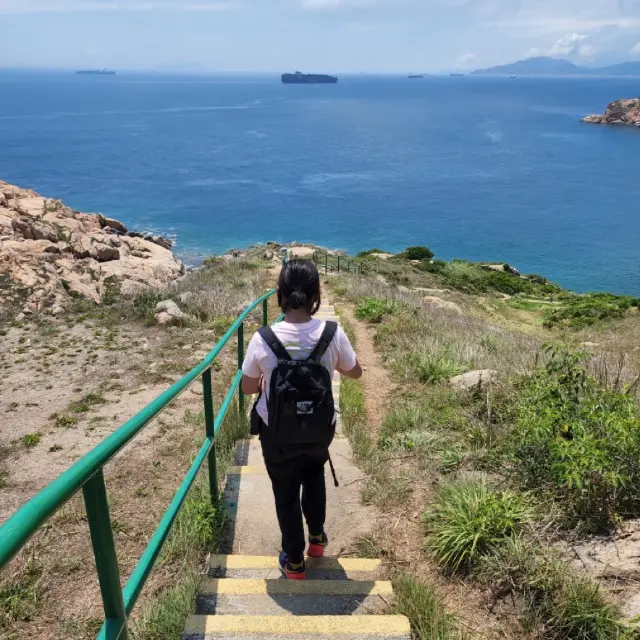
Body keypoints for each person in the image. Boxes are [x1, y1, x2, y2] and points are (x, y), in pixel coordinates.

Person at [241, 259, 362, 579]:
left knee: (285, 489)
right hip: (320, 429)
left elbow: (246, 388)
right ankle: (318, 539)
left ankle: (294, 560)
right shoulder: (332, 333)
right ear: (315, 296)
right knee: (313, 475)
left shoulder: (262, 338)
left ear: (279, 295)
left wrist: (269, 379)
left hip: (276, 432)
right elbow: (356, 372)